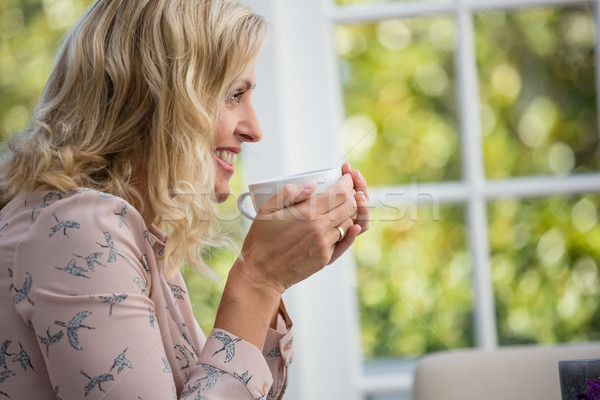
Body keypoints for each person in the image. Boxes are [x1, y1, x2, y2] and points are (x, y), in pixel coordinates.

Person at [0, 0, 370, 399]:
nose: (254, 129)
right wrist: (258, 279)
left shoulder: (130, 229)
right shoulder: (79, 228)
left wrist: (276, 276)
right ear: (157, 98)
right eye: (233, 95)